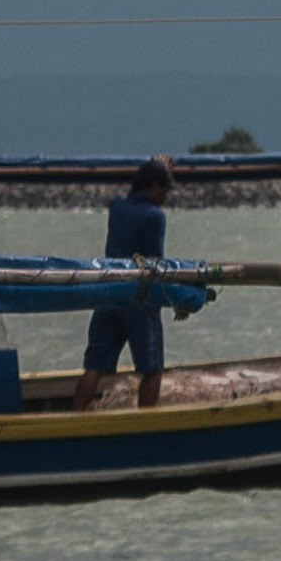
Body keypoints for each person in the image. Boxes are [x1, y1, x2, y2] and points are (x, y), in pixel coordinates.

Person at [70, 155, 177, 411]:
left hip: (110, 292)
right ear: (153, 186)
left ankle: (73, 416)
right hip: (139, 298)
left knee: (94, 366)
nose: (166, 196)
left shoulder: (117, 207)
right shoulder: (154, 216)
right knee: (151, 369)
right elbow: (154, 262)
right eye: (164, 189)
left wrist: (159, 167)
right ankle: (146, 425)